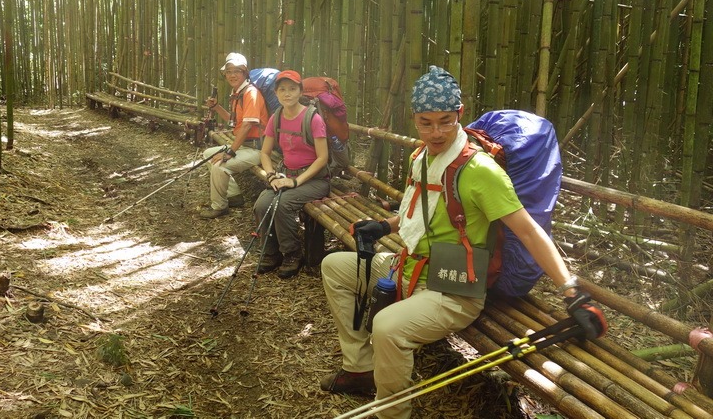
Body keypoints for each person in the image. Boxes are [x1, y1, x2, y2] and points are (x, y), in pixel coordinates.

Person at [319, 66, 605, 419]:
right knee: (334, 266)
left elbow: (529, 231)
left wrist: (572, 290)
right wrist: (383, 225)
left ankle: (393, 413)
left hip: (455, 288)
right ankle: (361, 368)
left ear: (460, 115)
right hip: (411, 264)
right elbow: (420, 212)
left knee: (388, 327)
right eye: (426, 122)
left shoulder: (480, 171)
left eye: (445, 121)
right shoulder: (421, 157)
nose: (436, 132)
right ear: (414, 119)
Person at [252, 70, 331, 278]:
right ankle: (271, 253)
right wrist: (271, 175)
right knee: (262, 204)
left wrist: (295, 182)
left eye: (292, 89)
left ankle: (292, 254)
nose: (287, 94)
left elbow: (322, 158)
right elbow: (265, 153)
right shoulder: (276, 118)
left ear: (300, 91)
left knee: (283, 203)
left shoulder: (312, 118)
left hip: (315, 180)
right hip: (286, 175)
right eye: (282, 90)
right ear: (276, 93)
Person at [200, 53, 269, 219]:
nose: (232, 75)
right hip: (246, 145)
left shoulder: (250, 93)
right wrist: (216, 107)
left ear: (245, 73)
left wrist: (229, 152)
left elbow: (246, 126)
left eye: (237, 71)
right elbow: (234, 121)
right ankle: (234, 196)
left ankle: (219, 206)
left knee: (219, 165)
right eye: (229, 71)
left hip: (258, 148)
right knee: (208, 154)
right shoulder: (237, 93)